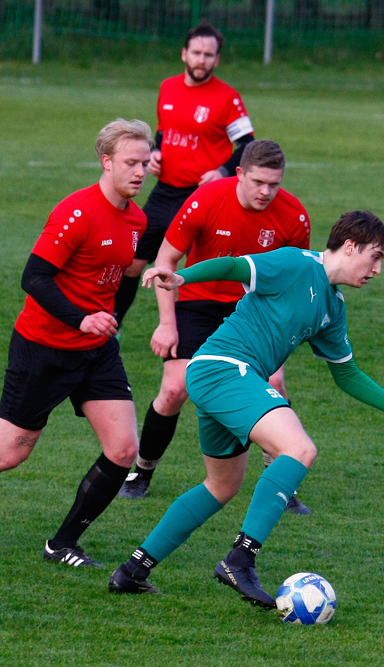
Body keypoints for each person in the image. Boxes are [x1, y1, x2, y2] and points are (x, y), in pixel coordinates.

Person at [106, 211, 384, 606]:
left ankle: (133, 570)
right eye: (376, 256)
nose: (378, 269)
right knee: (299, 449)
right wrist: (182, 277)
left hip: (225, 378)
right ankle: (240, 559)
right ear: (350, 247)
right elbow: (236, 266)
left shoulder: (333, 308)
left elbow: (346, 374)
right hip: (224, 369)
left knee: (221, 486)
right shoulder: (295, 262)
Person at [0, 119, 154, 567]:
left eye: (145, 162)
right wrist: (80, 318)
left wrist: (110, 317)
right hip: (42, 347)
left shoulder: (137, 218)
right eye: (131, 162)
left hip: (96, 352)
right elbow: (34, 277)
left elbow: (119, 277)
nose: (140, 171)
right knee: (7, 455)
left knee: (123, 449)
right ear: (106, 162)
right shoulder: (76, 212)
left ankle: (62, 543)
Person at [118, 139, 315, 515]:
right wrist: (166, 324)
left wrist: (281, 349)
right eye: (258, 182)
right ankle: (142, 472)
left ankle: (280, 483)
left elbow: (292, 284)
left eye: (274, 184)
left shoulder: (294, 216)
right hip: (199, 300)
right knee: (175, 387)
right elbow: (166, 260)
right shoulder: (206, 199)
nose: (266, 192)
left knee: (274, 384)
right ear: (239, 173)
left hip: (255, 309)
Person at [113, 21, 254, 330]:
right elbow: (164, 129)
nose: (201, 60)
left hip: (205, 196)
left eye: (208, 55)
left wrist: (221, 171)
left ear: (217, 60)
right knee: (132, 263)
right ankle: (114, 327)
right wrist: (157, 154)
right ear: (184, 54)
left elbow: (247, 145)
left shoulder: (227, 98)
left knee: (199, 272)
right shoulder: (168, 87)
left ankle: (201, 334)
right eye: (196, 53)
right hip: (165, 193)